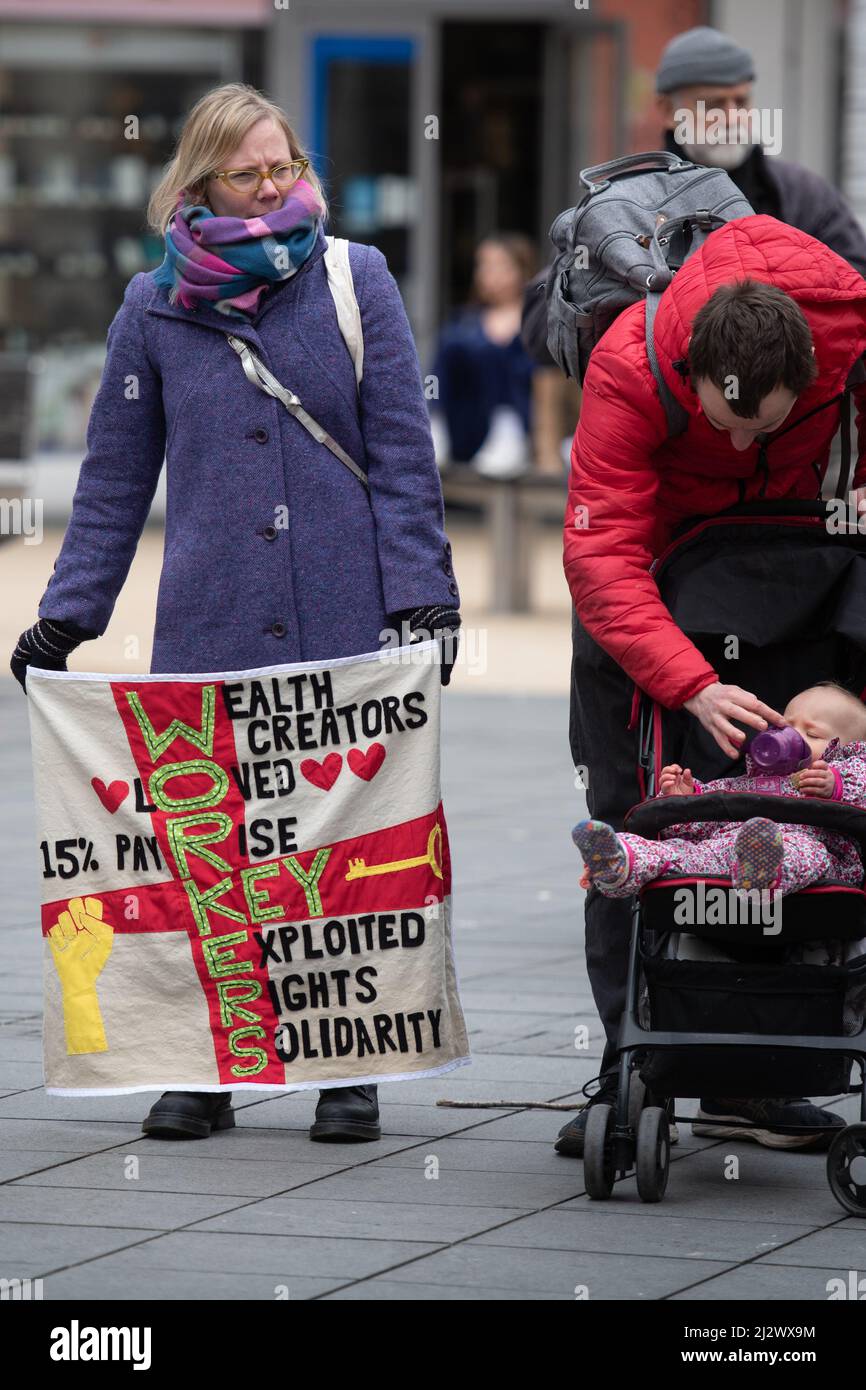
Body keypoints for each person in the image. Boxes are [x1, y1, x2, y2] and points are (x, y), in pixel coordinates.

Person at [10, 82, 462, 1145]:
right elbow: (115, 480)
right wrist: (64, 618)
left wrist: (425, 601)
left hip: (346, 610)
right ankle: (202, 1064)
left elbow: (401, 453)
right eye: (248, 174)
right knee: (207, 850)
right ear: (199, 184)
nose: (272, 190)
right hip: (208, 616)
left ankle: (347, 1064)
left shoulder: (356, 279)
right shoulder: (151, 306)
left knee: (346, 841)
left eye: (284, 167)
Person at [556, 213, 866, 1158]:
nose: (738, 447)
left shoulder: (853, 343)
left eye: (762, 427)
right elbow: (600, 546)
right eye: (723, 423)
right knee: (637, 816)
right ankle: (632, 1058)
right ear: (689, 369)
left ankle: (766, 1075)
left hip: (801, 582)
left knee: (805, 826)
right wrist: (687, 682)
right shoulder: (631, 361)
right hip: (658, 595)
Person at [522, 23, 866, 365]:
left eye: (741, 101)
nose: (732, 118)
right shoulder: (617, 206)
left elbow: (856, 288)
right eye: (714, 104)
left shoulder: (800, 195)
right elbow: (542, 329)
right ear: (668, 111)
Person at [573, 682, 866, 901]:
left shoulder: (842, 777)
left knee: (802, 851)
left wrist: (835, 786)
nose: (791, 737)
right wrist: (686, 798)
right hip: (722, 857)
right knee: (677, 854)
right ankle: (618, 861)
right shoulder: (750, 781)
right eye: (785, 726)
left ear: (848, 749)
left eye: (812, 734)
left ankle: (763, 874)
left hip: (813, 856)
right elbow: (711, 813)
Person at [429, 233, 540, 478]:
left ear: (522, 270)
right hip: (470, 422)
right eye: (483, 266)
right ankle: (434, 422)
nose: (487, 275)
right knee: (452, 345)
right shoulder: (464, 322)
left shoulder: (536, 321)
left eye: (498, 266)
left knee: (505, 351)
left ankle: (507, 429)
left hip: (521, 421)